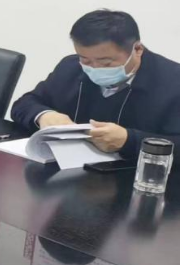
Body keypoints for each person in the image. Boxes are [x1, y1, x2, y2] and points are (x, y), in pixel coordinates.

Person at [11, 9, 180, 160]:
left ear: (137, 49)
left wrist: (129, 141)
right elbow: (23, 104)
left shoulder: (173, 82)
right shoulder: (71, 67)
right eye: (85, 60)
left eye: (106, 62)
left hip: (138, 177)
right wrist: (44, 115)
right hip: (71, 171)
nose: (94, 68)